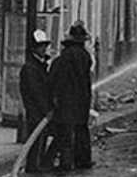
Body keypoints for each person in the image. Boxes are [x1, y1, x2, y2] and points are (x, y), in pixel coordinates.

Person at [49, 21, 94, 171]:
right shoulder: (85, 56)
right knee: (82, 130)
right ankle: (83, 160)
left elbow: (57, 79)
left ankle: (66, 163)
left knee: (66, 133)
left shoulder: (65, 57)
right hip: (82, 100)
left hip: (66, 101)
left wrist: (55, 97)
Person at [20, 29, 54, 173]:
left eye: (45, 45)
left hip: (41, 110)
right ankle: (33, 166)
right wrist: (46, 110)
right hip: (35, 110)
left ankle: (37, 164)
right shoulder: (30, 68)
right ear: (34, 48)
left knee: (41, 137)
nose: (44, 49)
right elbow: (36, 92)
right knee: (36, 139)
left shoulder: (39, 65)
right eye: (41, 46)